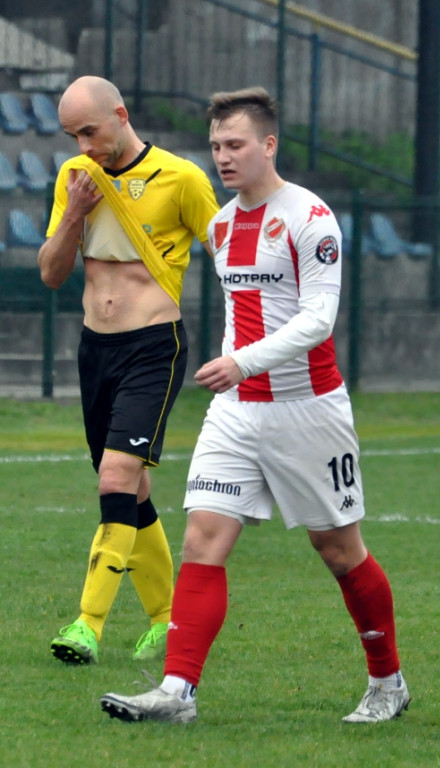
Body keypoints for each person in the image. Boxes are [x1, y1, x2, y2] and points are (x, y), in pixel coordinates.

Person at [99, 87, 409, 724]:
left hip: (308, 409)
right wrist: (231, 365)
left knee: (339, 550)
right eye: (215, 146)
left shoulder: (311, 217)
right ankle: (178, 692)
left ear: (269, 144)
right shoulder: (218, 223)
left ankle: (388, 683)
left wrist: (244, 360)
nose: (223, 157)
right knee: (202, 539)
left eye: (235, 144)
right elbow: (244, 315)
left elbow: (319, 319)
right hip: (238, 411)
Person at [39, 75, 219, 666]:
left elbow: (231, 258)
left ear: (120, 114)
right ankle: (168, 620)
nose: (84, 144)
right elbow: (51, 273)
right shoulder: (75, 178)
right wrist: (75, 215)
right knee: (133, 489)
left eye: (90, 130)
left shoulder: (182, 178)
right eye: (73, 135)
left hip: (152, 346)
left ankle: (87, 624)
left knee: (115, 478)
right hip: (96, 348)